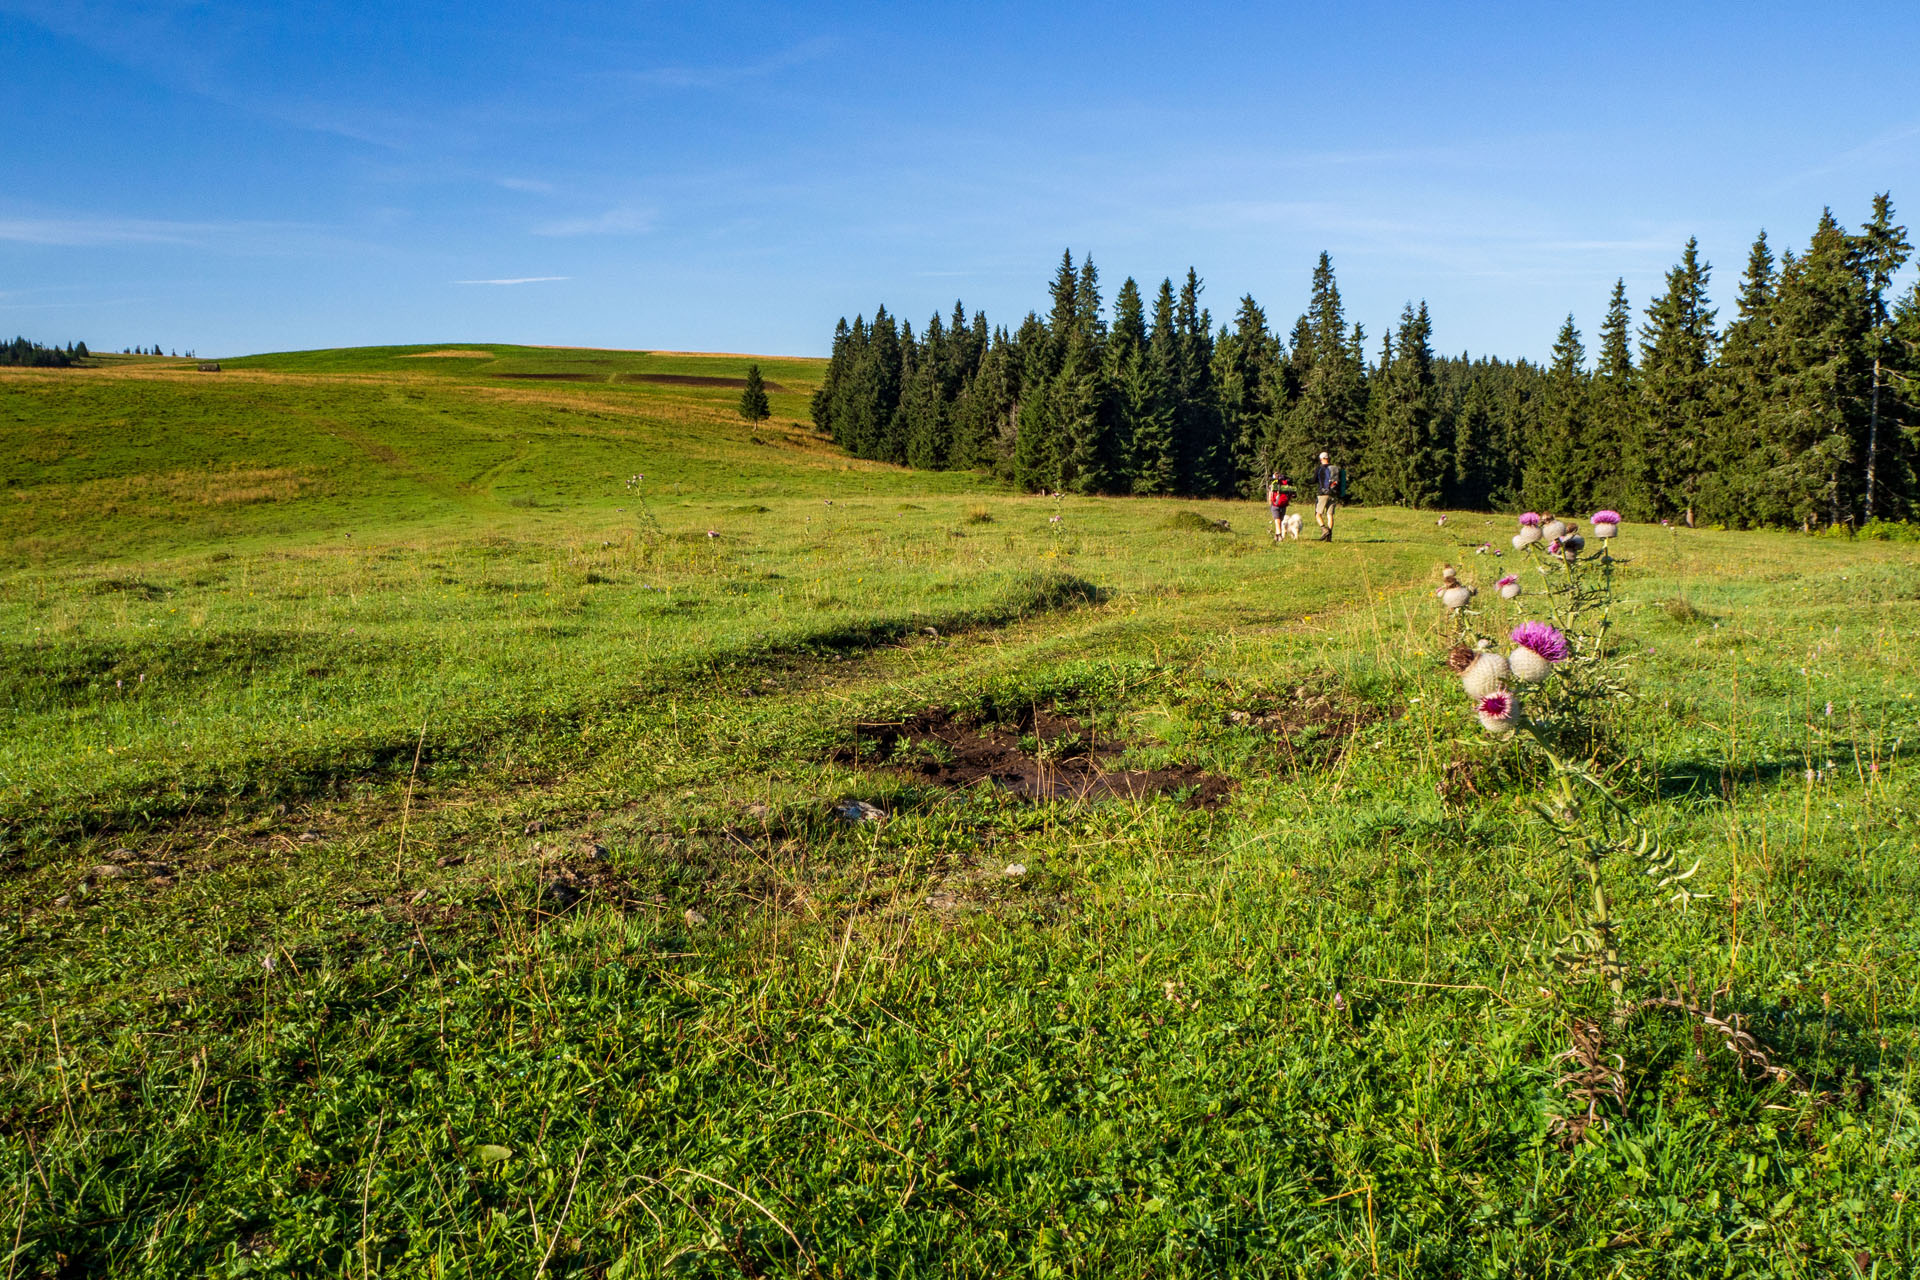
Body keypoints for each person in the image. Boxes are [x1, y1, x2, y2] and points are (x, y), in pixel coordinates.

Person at [1313, 451, 1342, 541]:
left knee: (1318, 514)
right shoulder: (1335, 468)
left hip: (1323, 494)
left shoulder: (1320, 469)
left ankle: (1324, 529)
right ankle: (1329, 537)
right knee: (1330, 514)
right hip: (1333, 493)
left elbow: (1313, 480)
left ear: (1321, 459)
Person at [1266, 472, 1295, 542]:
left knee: (1277, 520)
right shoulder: (1286, 485)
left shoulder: (1273, 485)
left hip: (1275, 504)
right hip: (1284, 505)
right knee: (1280, 520)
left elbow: (1270, 495)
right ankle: (1276, 535)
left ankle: (1279, 535)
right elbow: (1291, 495)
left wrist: (1270, 503)